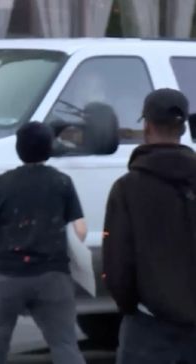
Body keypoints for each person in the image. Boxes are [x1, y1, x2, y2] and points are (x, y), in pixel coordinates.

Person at [0, 122, 87, 364]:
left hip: (7, 277)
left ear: (19, 149)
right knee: (64, 344)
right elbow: (80, 229)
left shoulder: (2, 183)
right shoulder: (62, 182)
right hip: (53, 277)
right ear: (49, 148)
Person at [102, 88, 196, 364]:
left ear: (147, 126)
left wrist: (128, 306)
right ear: (182, 129)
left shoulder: (127, 188)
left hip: (148, 325)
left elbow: (117, 262)